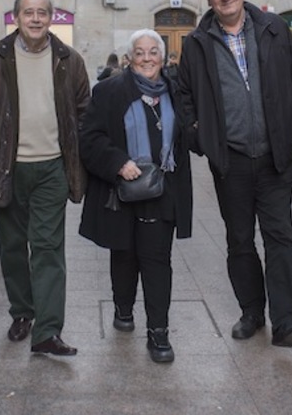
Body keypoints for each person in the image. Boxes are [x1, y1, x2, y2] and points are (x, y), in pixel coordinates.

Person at [177, 0, 292, 349]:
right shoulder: (196, 43)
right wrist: (201, 139)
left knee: (280, 236)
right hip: (231, 160)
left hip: (275, 157)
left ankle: (286, 321)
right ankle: (251, 312)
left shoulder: (274, 29)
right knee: (239, 240)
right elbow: (184, 97)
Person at [0, 0, 89, 357]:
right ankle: (22, 311)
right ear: (17, 17)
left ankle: (47, 330)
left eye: (42, 12)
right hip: (5, 168)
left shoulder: (69, 60)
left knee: (48, 248)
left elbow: (84, 114)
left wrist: (83, 164)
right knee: (14, 248)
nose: (35, 19)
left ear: (51, 18)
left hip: (52, 169)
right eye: (28, 12)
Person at [79, 29, 193, 363]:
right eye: (140, 53)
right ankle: (123, 307)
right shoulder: (109, 91)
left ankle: (159, 333)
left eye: (153, 52)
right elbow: (89, 138)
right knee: (125, 255)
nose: (147, 58)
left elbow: (188, 134)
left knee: (157, 261)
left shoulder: (176, 92)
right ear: (129, 59)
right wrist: (118, 162)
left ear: (163, 57)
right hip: (121, 192)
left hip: (163, 189)